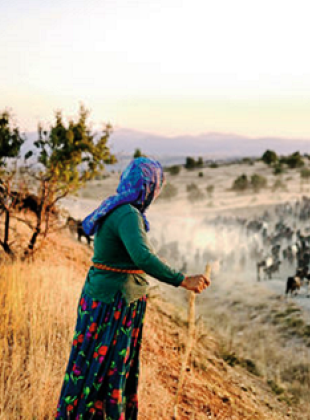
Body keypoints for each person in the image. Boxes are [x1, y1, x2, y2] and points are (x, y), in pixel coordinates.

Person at [55, 157, 210, 420]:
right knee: (109, 367)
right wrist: (183, 279)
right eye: (156, 187)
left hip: (105, 298)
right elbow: (143, 258)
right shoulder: (128, 214)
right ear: (148, 188)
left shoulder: (116, 208)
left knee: (92, 363)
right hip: (115, 304)